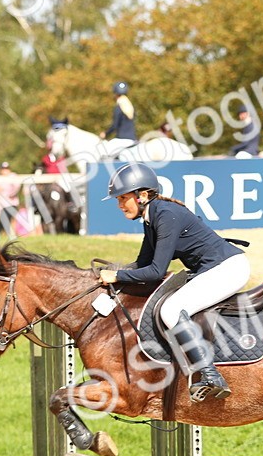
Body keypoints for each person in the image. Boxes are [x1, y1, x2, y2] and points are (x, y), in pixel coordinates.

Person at [98, 162, 251, 403]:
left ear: (143, 195)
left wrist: (117, 277)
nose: (119, 205)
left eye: (122, 198)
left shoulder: (165, 215)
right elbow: (141, 264)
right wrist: (110, 271)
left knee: (171, 310)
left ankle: (211, 375)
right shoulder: (152, 217)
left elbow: (156, 271)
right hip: (214, 269)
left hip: (228, 269)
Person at [0, 161, 20, 236]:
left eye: (6, 168)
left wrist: (11, 193)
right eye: (3, 169)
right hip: (1, 205)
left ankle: (9, 236)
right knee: (2, 223)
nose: (5, 170)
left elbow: (16, 188)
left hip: (11, 204)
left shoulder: (13, 176)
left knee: (5, 221)